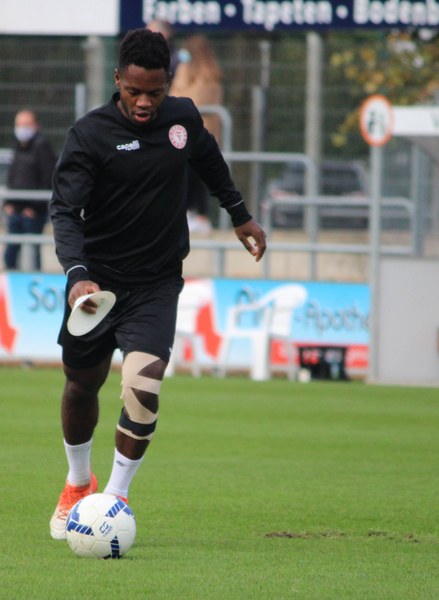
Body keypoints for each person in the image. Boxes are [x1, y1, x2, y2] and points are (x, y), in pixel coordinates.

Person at [47, 28, 266, 539]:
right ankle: (78, 482)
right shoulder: (89, 135)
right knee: (81, 384)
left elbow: (209, 162)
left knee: (142, 388)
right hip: (96, 286)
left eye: (155, 92)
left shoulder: (183, 118)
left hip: (155, 284)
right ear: (117, 80)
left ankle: (113, 501)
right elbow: (65, 211)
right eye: (134, 91)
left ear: (168, 82)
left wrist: (239, 215)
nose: (145, 102)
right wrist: (77, 274)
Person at [170, 34, 225, 234]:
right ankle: (190, 212)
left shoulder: (207, 73)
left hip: (198, 133)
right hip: (184, 133)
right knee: (186, 174)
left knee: (195, 175)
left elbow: (193, 99)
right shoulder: (186, 70)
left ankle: (198, 214)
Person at [3, 110, 57, 271]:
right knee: (10, 253)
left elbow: (49, 179)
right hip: (16, 209)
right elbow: (12, 177)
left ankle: (34, 280)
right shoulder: (18, 147)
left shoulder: (42, 147)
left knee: (32, 253)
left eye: (26, 124)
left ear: (36, 126)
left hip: (33, 212)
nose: (22, 128)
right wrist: (8, 202)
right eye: (19, 124)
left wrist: (35, 208)